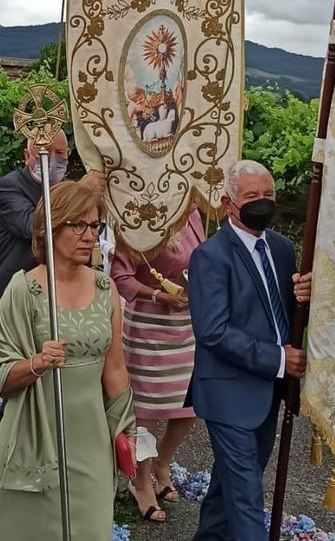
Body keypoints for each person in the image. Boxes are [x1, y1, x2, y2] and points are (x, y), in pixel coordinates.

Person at [0, 181, 135, 540]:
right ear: (50, 228)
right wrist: (37, 362)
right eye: (77, 225)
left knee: (91, 528)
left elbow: (115, 367)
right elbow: (1, 372)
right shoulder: (23, 289)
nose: (88, 236)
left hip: (91, 436)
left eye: (94, 226)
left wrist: (125, 427)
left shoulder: (106, 288)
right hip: (37, 431)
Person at [185, 160, 312, 540]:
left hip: (268, 391)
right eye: (252, 196)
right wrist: (278, 359)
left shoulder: (282, 248)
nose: (262, 203)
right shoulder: (210, 256)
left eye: (268, 195)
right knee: (245, 497)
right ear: (228, 203)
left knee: (228, 489)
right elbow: (213, 331)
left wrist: (305, 297)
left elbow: (282, 313)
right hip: (228, 393)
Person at [109, 209, 206, 521]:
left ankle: (163, 462)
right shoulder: (135, 216)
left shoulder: (192, 213)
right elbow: (121, 277)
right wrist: (158, 296)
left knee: (191, 405)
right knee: (146, 413)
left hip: (187, 324)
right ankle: (141, 479)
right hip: (148, 325)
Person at [0, 131, 107, 326]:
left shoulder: (65, 187)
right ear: (28, 156)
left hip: (66, 293)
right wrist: (79, 192)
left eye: (60, 152)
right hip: (21, 292)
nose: (52, 159)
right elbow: (31, 226)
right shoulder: (10, 186)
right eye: (44, 153)